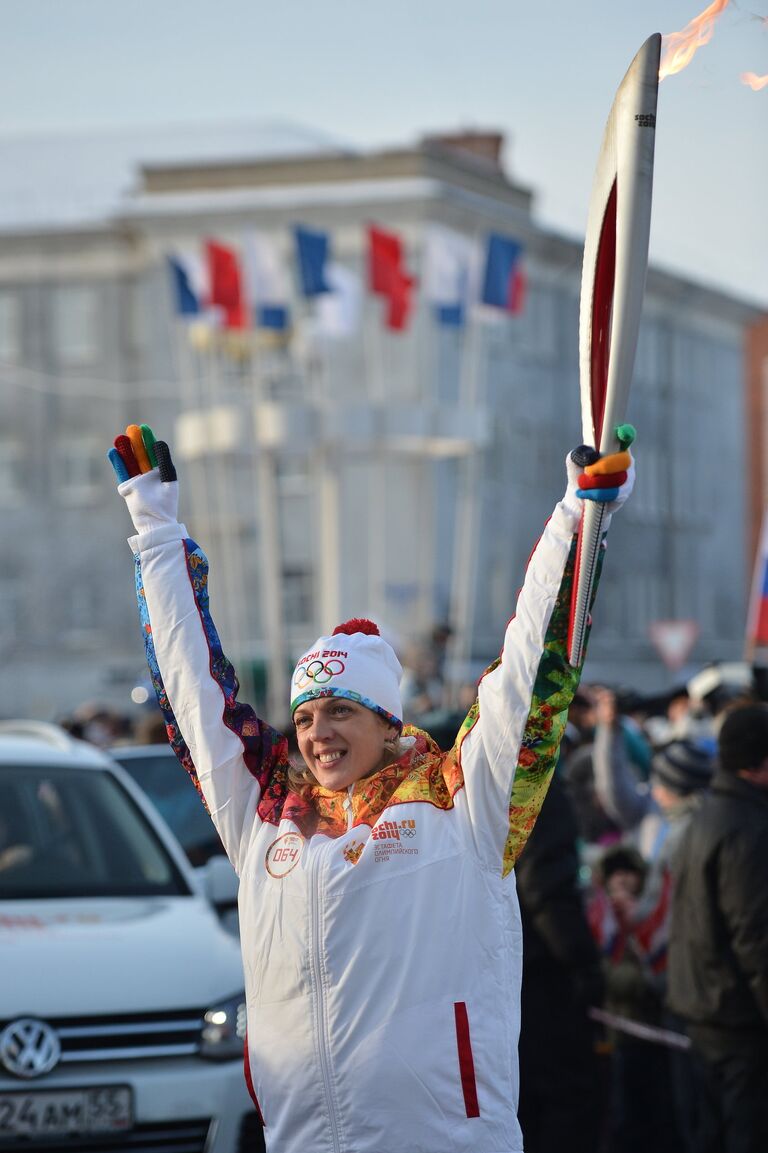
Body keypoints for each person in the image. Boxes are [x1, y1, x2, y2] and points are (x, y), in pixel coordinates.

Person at [107, 421, 634, 1153]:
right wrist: (156, 530)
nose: (318, 732)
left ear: (389, 723)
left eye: (341, 711)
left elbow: (525, 681)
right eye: (306, 716)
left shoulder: (461, 803)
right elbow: (194, 694)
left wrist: (577, 522)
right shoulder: (267, 819)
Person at [667, 702, 768, 1153]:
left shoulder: (708, 816)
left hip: (700, 1008)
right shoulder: (749, 828)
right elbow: (755, 936)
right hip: (737, 1021)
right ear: (759, 763)